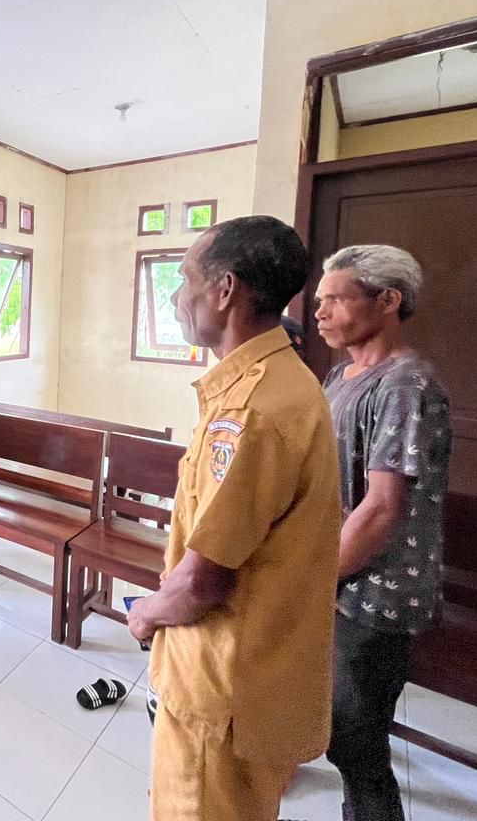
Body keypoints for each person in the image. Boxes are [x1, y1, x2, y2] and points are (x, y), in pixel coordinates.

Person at [125, 216, 342, 821]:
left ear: (224, 290)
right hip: (253, 674)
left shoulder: (252, 411)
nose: (177, 297)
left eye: (185, 279)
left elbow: (204, 581)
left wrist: (146, 613)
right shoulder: (276, 383)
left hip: (221, 683)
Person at [315, 245, 451, 821]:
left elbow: (382, 509)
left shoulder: (404, 384)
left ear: (388, 300)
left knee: (357, 743)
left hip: (375, 591)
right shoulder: (341, 375)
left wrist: (311, 580)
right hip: (338, 575)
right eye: (318, 300)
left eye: (336, 299)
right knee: (341, 728)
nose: (320, 312)